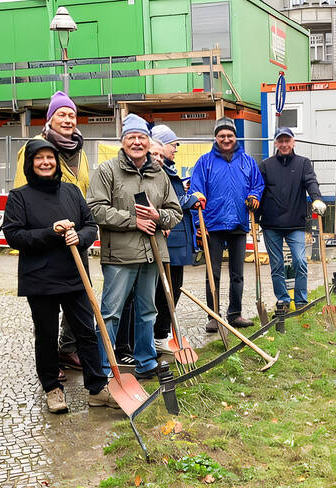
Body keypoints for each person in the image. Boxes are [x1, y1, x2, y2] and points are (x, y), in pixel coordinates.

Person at [2, 139, 118, 413]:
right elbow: (14, 235)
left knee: (86, 333)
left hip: (74, 275)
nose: (45, 162)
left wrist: (80, 236)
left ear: (57, 162)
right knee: (46, 335)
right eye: (39, 158)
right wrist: (50, 231)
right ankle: (52, 388)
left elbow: (90, 225)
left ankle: (97, 388)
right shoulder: (20, 196)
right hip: (39, 279)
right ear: (30, 163)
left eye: (50, 158)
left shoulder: (72, 192)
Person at [86, 114, 182, 379]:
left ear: (148, 141)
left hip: (153, 254)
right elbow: (95, 209)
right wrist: (134, 221)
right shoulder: (107, 171)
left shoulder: (158, 173)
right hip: (120, 255)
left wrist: (157, 217)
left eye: (142, 138)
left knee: (148, 310)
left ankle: (146, 360)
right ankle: (105, 367)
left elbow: (175, 212)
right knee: (111, 313)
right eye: (132, 138)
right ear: (123, 142)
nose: (137, 143)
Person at [13, 90, 90, 375]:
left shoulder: (78, 150)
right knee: (46, 311)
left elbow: (84, 191)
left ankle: (68, 350)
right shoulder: (36, 148)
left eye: (71, 114)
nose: (68, 119)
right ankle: (49, 360)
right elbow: (23, 194)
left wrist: (85, 229)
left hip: (75, 238)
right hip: (46, 241)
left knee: (80, 300)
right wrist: (42, 233)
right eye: (62, 114)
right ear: (50, 118)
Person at [188, 117, 264, 332]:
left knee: (237, 273)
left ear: (235, 137)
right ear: (216, 138)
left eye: (229, 135)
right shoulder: (205, 162)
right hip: (213, 224)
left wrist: (254, 195)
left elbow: (257, 184)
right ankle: (213, 315)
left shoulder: (247, 161)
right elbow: (196, 191)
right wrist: (198, 227)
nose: (226, 139)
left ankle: (235, 314)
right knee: (213, 273)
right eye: (222, 135)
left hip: (239, 222)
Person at [258, 127, 326, 313]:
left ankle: (301, 301)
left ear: (293, 142)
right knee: (277, 265)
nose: (284, 144)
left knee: (300, 262)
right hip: (271, 224)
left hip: (295, 222)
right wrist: (255, 217)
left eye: (287, 140)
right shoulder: (266, 165)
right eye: (281, 141)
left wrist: (317, 198)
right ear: (275, 143)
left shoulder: (303, 163)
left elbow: (311, 181)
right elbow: (259, 191)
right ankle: (283, 300)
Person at [149, 127, 196, 354]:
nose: (175, 149)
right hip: (169, 238)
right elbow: (174, 202)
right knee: (167, 289)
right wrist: (191, 198)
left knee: (173, 288)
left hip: (176, 237)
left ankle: (162, 331)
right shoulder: (161, 172)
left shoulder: (168, 170)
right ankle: (159, 334)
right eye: (173, 144)